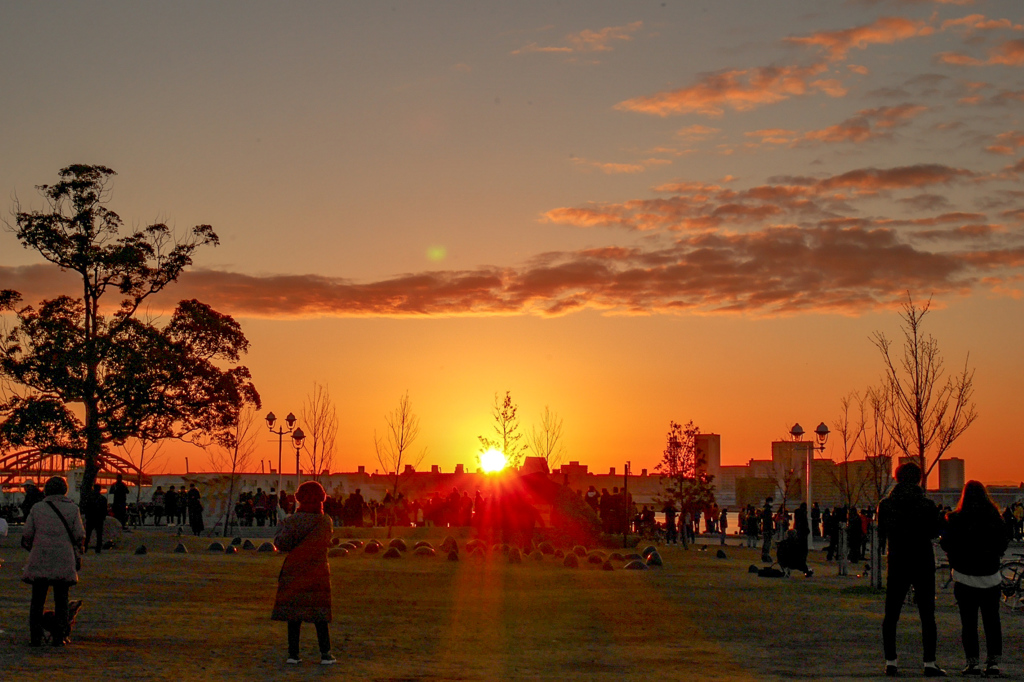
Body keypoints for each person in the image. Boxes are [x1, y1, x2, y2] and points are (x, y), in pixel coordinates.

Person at [877, 462, 946, 677]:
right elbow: (935, 532)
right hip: (922, 560)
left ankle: (891, 661)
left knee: (891, 614)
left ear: (897, 478)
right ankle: (929, 662)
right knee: (927, 614)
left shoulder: (886, 505)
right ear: (919, 479)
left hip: (897, 560)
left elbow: (881, 532)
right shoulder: (927, 505)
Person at [940, 481, 1008, 677]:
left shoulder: (955, 519)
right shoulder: (995, 518)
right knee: (992, 621)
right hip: (990, 577)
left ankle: (973, 663)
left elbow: (947, 544)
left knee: (969, 623)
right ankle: (993, 662)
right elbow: (1003, 543)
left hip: (964, 577)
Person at [272, 481, 335, 665]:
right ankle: (325, 653)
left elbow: (281, 544)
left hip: (295, 570)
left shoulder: (292, 521)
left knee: (294, 615)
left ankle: (293, 654)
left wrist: (280, 527)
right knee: (320, 615)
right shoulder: (325, 522)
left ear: (299, 499)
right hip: (318, 571)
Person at [21, 476, 85, 647]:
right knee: (62, 600)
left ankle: (35, 637)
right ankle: (59, 637)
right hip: (64, 558)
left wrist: (32, 547)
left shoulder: (37, 508)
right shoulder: (72, 509)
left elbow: (27, 534)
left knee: (37, 600)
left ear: (46, 490)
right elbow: (79, 534)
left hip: (40, 557)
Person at [83, 484, 108, 554]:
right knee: (99, 535)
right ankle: (98, 549)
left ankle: (85, 548)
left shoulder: (89, 498)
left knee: (87, 535)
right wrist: (103, 517)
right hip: (99, 519)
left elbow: (86, 508)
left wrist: (87, 516)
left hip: (90, 518)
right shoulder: (103, 499)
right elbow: (104, 510)